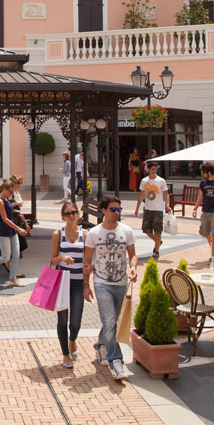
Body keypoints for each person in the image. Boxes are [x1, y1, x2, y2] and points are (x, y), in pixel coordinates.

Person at [84, 195, 137, 381]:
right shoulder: (93, 233)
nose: (116, 213)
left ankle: (100, 344)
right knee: (109, 321)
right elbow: (87, 260)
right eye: (113, 210)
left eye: (119, 210)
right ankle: (117, 362)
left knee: (112, 322)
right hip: (101, 283)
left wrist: (133, 268)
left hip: (121, 282)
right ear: (104, 211)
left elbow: (133, 256)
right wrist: (86, 285)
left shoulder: (127, 231)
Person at [51, 200, 85, 369]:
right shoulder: (58, 234)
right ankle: (65, 354)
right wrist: (62, 258)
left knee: (76, 322)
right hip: (63, 281)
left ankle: (73, 340)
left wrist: (88, 284)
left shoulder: (85, 234)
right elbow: (52, 259)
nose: (71, 216)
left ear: (78, 214)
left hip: (79, 282)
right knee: (63, 320)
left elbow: (87, 260)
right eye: (68, 214)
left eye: (74, 213)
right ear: (63, 216)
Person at [0, 181, 28, 286]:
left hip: (11, 230)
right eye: (10, 192)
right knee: (6, 257)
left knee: (16, 254)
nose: (12, 194)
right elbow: (5, 218)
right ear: (5, 190)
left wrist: (15, 210)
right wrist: (19, 228)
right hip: (3, 231)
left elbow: (9, 209)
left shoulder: (7, 199)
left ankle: (13, 278)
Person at [134, 162, 170, 260]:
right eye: (152, 169)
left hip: (158, 209)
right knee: (146, 229)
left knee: (158, 230)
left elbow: (166, 194)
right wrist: (137, 208)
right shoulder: (144, 181)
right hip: (148, 208)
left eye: (155, 169)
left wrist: (167, 206)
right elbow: (141, 195)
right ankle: (158, 241)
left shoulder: (161, 181)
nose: (154, 171)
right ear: (148, 169)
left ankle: (156, 250)